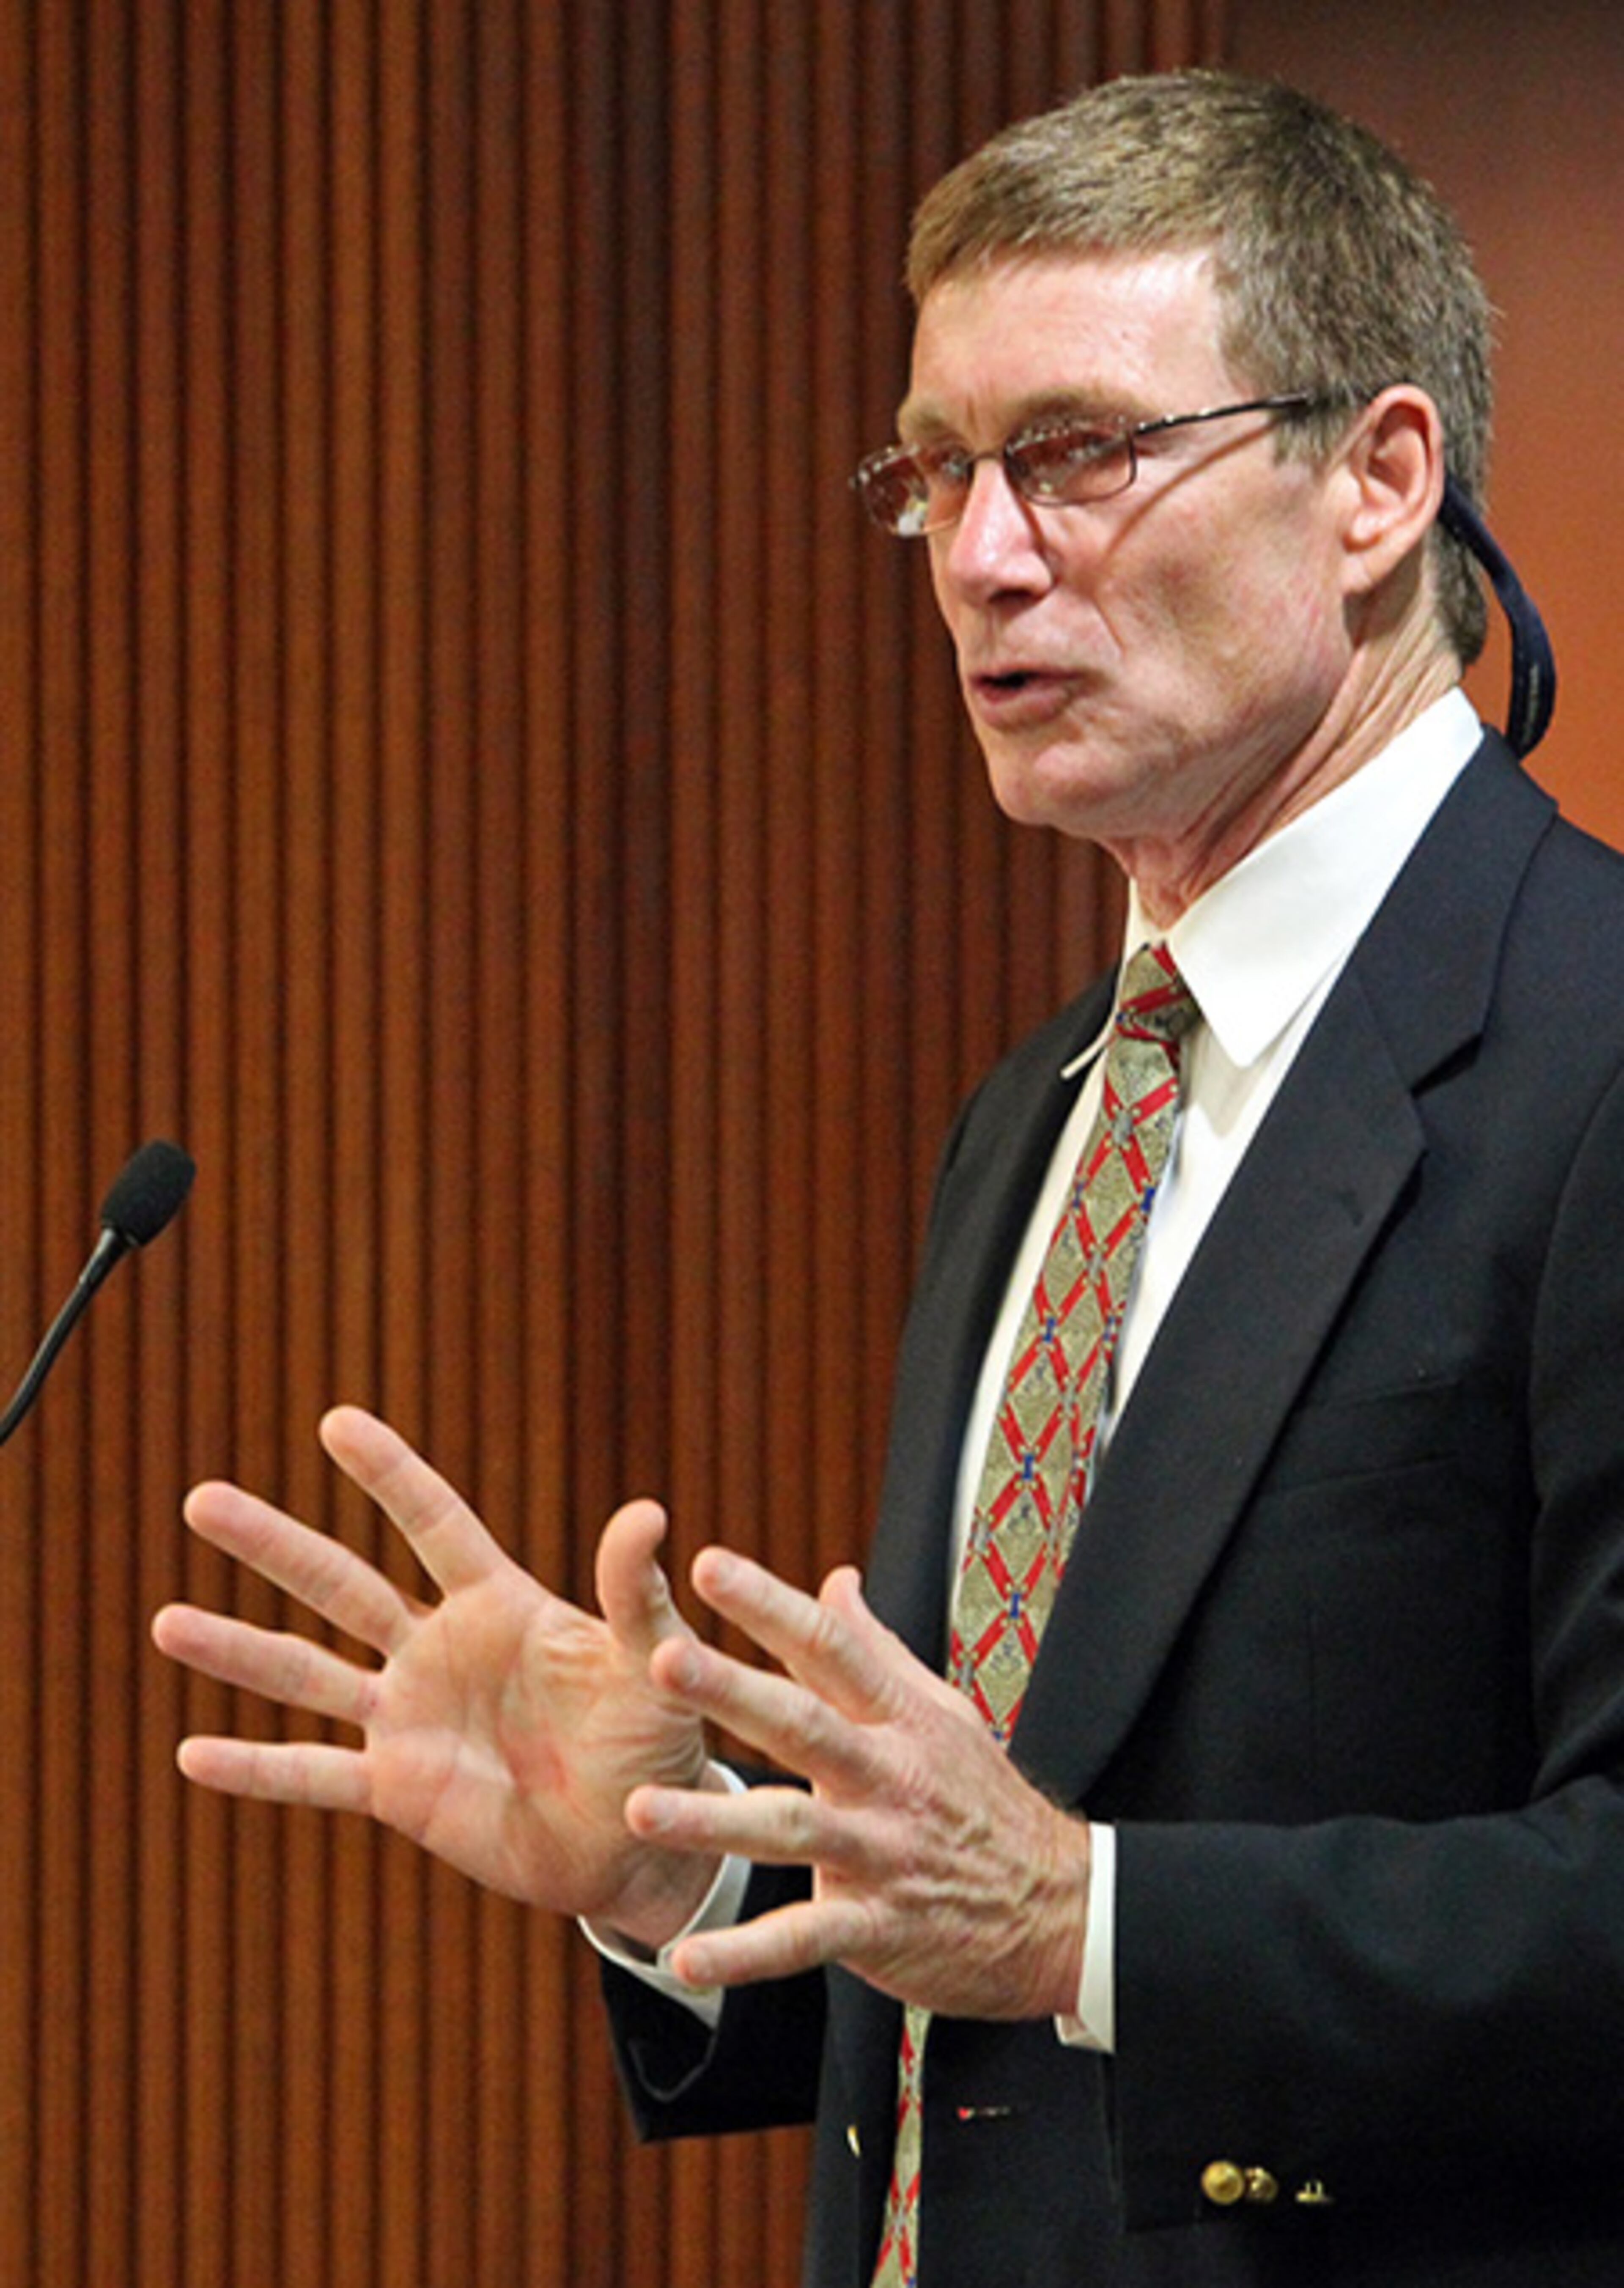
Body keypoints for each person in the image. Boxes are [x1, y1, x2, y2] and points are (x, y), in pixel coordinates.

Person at [151, 68, 1624, 2287]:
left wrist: (1087, 1915)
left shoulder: (1599, 1047)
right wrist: (690, 1880)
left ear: (1378, 483)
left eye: (1081, 454)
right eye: (935, 472)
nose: (983, 554)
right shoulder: (1048, 1106)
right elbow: (991, 1968)